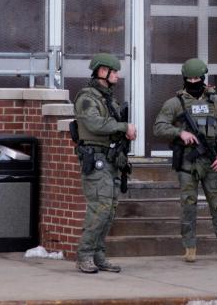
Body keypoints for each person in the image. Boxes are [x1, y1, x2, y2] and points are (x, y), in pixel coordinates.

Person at [153, 58, 217, 263]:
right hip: (188, 162)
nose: (193, 81)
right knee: (188, 204)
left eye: (197, 78)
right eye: (189, 78)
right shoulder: (176, 102)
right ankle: (190, 247)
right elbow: (158, 127)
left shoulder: (215, 101)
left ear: (203, 78)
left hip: (212, 161)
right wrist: (180, 133)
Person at [73, 53, 136, 274]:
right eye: (114, 71)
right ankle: (85, 255)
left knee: (109, 211)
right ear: (102, 71)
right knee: (99, 209)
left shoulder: (108, 99)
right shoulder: (87, 98)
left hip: (110, 161)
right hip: (96, 160)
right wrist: (122, 127)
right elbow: (95, 123)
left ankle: (98, 255)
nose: (117, 76)